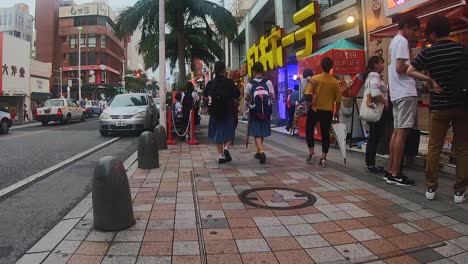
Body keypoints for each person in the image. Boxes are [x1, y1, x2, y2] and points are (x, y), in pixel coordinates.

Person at [407, 15, 467, 203]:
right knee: (463, 149)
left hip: (439, 107)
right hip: (462, 105)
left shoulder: (428, 53)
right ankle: (459, 191)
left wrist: (429, 80)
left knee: (434, 148)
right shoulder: (462, 50)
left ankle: (431, 188)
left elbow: (409, 70)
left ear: (432, 33)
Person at [385, 14, 420, 186]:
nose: (414, 34)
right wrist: (415, 66)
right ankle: (396, 173)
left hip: (398, 92)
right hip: (405, 91)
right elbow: (400, 68)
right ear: (406, 26)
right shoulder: (402, 41)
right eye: (414, 30)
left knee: (397, 132)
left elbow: (395, 68)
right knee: (402, 133)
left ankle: (391, 170)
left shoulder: (393, 42)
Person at [304, 58, 342, 167]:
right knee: (325, 134)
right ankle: (324, 156)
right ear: (331, 67)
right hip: (327, 110)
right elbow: (338, 99)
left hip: (314, 109)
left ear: (321, 66)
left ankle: (311, 153)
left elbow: (308, 94)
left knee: (309, 130)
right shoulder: (335, 82)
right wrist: (337, 112)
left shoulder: (315, 79)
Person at [207, 61, 240, 164]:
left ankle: (221, 156)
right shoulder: (229, 82)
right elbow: (237, 94)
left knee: (217, 133)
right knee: (230, 131)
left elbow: (206, 95)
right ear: (224, 70)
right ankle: (226, 148)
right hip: (228, 111)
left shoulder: (211, 83)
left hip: (215, 112)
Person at [245, 62, 276, 164]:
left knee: (256, 132)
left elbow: (247, 98)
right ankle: (258, 151)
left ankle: (261, 152)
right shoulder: (268, 82)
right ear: (262, 71)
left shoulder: (250, 84)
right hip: (266, 111)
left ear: (253, 71)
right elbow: (273, 97)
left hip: (254, 111)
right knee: (261, 131)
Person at [363, 56, 389, 174]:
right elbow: (375, 93)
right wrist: (385, 102)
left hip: (372, 110)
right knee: (374, 137)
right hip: (376, 111)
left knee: (373, 137)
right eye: (381, 63)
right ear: (375, 65)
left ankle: (370, 163)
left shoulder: (370, 76)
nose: (383, 66)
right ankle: (371, 164)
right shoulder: (374, 76)